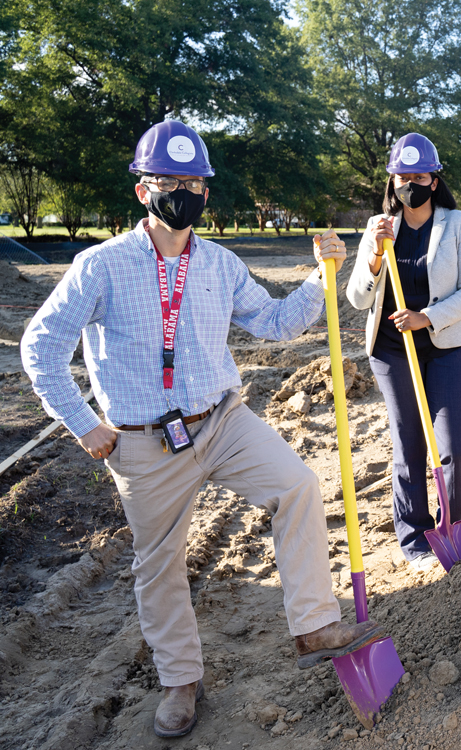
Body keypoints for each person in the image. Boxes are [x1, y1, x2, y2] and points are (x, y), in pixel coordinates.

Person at [20, 121, 382, 738]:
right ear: (143, 191)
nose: (181, 192)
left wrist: (321, 276)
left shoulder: (219, 263)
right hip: (140, 442)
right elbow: (40, 348)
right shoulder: (98, 267)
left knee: (296, 486)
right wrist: (83, 425)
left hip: (221, 420)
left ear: (206, 194)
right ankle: (181, 680)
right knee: (159, 565)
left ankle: (314, 624)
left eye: (193, 182)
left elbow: (272, 324)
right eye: (168, 181)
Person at [347, 133, 461, 572]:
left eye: (419, 175)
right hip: (391, 351)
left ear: (434, 178)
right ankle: (414, 538)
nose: (411, 184)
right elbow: (357, 299)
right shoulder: (378, 227)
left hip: (448, 347)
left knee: (454, 447)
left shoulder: (458, 223)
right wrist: (373, 259)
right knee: (408, 446)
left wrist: (428, 316)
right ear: (392, 180)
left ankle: (452, 525)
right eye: (403, 176)